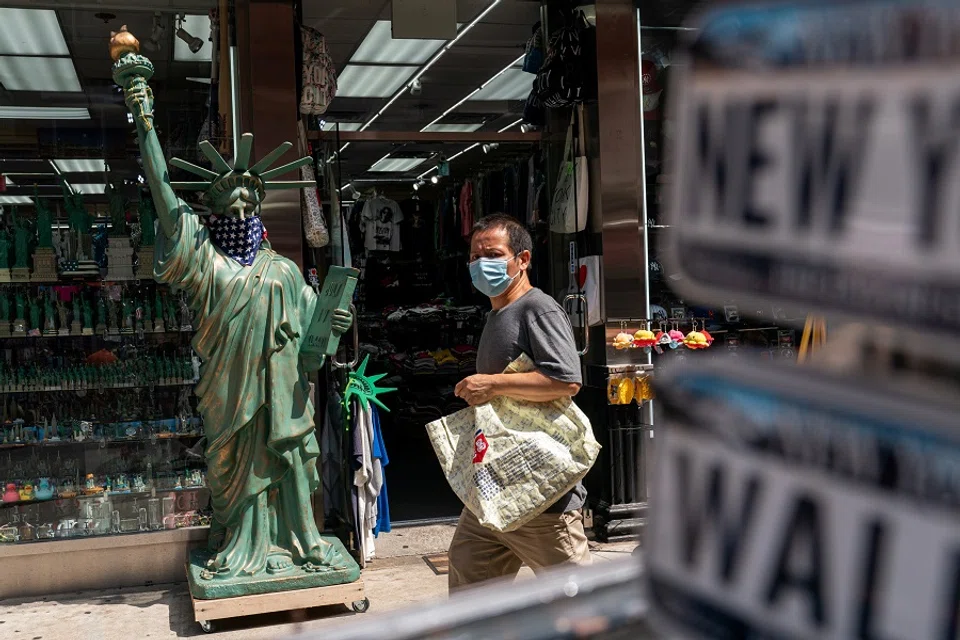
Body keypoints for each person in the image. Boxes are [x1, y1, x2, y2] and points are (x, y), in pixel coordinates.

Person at [449, 214, 591, 590]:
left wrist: (493, 384)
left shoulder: (536, 308)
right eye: (474, 256)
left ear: (522, 259)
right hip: (493, 490)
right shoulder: (498, 313)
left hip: (541, 497)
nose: (481, 264)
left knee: (576, 606)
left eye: (493, 254)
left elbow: (565, 379)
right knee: (469, 585)